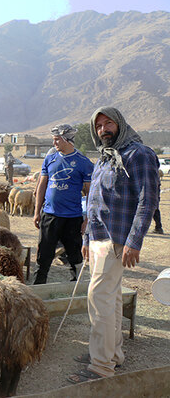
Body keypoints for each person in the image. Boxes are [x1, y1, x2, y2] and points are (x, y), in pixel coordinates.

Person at [67, 107, 159, 384]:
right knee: (112, 298)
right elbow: (94, 203)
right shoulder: (105, 158)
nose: (103, 130)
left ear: (120, 124)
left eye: (108, 124)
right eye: (98, 126)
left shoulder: (138, 154)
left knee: (100, 300)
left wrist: (134, 242)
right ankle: (111, 354)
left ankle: (101, 366)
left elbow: (147, 201)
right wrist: (86, 239)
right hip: (98, 238)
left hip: (117, 239)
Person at [32, 124, 94, 284]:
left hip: (72, 218)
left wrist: (87, 219)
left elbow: (90, 193)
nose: (54, 144)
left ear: (67, 140)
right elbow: (42, 186)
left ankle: (76, 289)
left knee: (74, 256)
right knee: (44, 255)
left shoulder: (83, 163)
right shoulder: (50, 159)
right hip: (49, 215)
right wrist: (36, 211)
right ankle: (38, 289)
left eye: (57, 140)